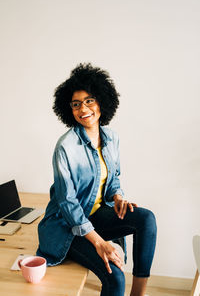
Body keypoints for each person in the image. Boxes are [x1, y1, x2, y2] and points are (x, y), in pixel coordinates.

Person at [36, 63, 157, 296]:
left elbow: (113, 179)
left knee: (147, 219)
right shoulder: (66, 147)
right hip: (67, 227)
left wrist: (118, 197)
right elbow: (67, 202)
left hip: (96, 215)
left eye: (90, 100)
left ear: (102, 101)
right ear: (68, 109)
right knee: (115, 275)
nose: (84, 108)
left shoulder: (111, 138)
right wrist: (99, 242)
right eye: (76, 104)